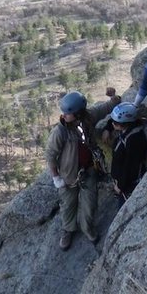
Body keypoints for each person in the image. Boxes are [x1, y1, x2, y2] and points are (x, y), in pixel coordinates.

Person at [46, 89, 120, 250]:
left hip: (89, 170)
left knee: (90, 204)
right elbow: (51, 156)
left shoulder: (89, 117)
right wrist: (56, 178)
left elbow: (110, 106)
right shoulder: (60, 132)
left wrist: (113, 96)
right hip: (68, 175)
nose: (64, 115)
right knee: (68, 204)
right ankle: (68, 229)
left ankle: (87, 228)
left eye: (68, 113)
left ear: (78, 113)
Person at [108, 102, 147, 202]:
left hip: (128, 186)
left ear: (124, 123)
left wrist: (120, 186)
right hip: (123, 183)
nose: (113, 124)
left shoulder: (134, 139)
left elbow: (130, 166)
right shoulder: (127, 132)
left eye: (116, 123)